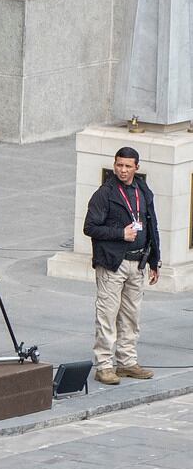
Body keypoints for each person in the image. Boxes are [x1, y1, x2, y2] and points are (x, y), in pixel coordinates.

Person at [84, 146, 162, 385]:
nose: (123, 170)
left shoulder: (142, 189)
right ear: (114, 165)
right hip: (112, 264)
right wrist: (120, 233)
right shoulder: (104, 193)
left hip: (137, 263)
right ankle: (105, 365)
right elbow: (90, 227)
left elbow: (151, 224)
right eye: (119, 165)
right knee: (107, 315)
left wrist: (154, 260)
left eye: (128, 166)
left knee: (131, 316)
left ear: (136, 167)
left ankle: (127, 362)